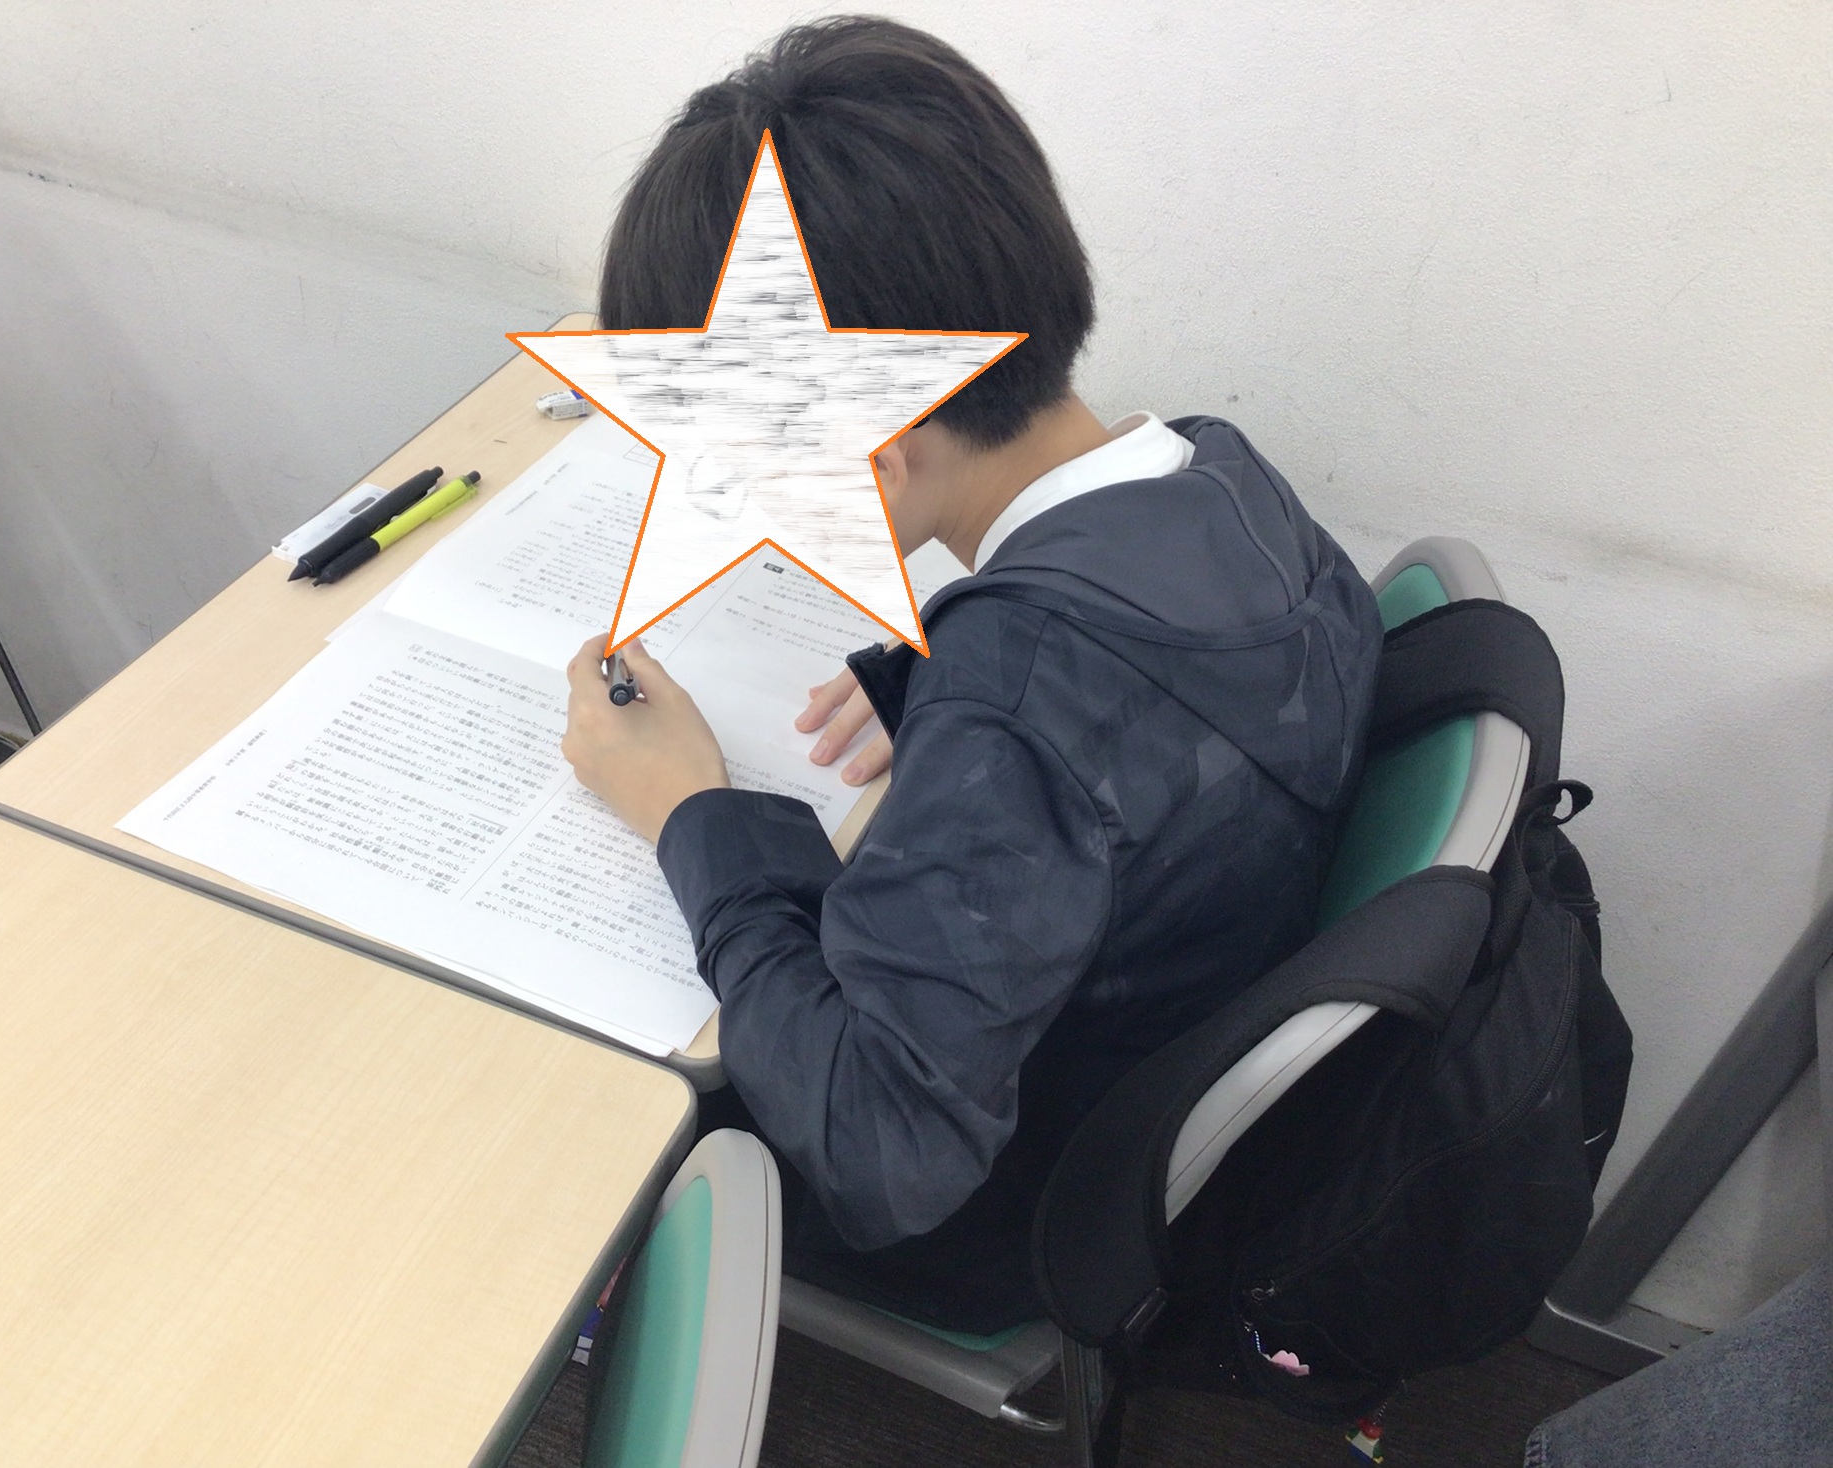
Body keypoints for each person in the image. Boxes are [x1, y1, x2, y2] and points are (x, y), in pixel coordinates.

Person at [560, 15, 1384, 1333]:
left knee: (550, 1068)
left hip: (1001, 1206)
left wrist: (690, 815)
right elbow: (1140, 708)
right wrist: (934, 675)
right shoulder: (1217, 473)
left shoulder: (1020, 708)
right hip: (1152, 1030)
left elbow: (882, 1153)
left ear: (879, 454)